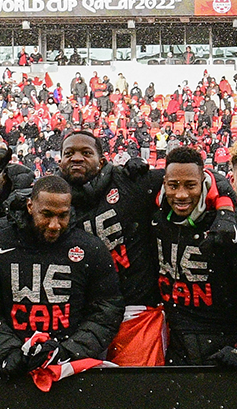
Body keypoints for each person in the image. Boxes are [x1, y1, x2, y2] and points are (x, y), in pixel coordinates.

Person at [0, 176, 123, 378]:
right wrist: (10, 351)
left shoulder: (91, 248)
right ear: (30, 206)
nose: (54, 225)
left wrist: (67, 351)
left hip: (71, 371)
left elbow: (107, 309)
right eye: (46, 215)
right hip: (12, 368)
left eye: (62, 216)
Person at [151, 146, 237, 366]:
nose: (181, 194)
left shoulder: (234, 225)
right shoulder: (154, 216)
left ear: (203, 184)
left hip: (223, 345)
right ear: (164, 185)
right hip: (172, 345)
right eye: (173, 186)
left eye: (191, 185)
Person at [49, 130, 163, 366]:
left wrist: (224, 207)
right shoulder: (51, 199)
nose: (77, 158)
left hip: (135, 311)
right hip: (81, 317)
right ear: (59, 161)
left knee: (134, 395)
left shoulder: (128, 182)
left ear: (102, 161)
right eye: (69, 153)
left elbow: (196, 176)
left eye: (86, 153)